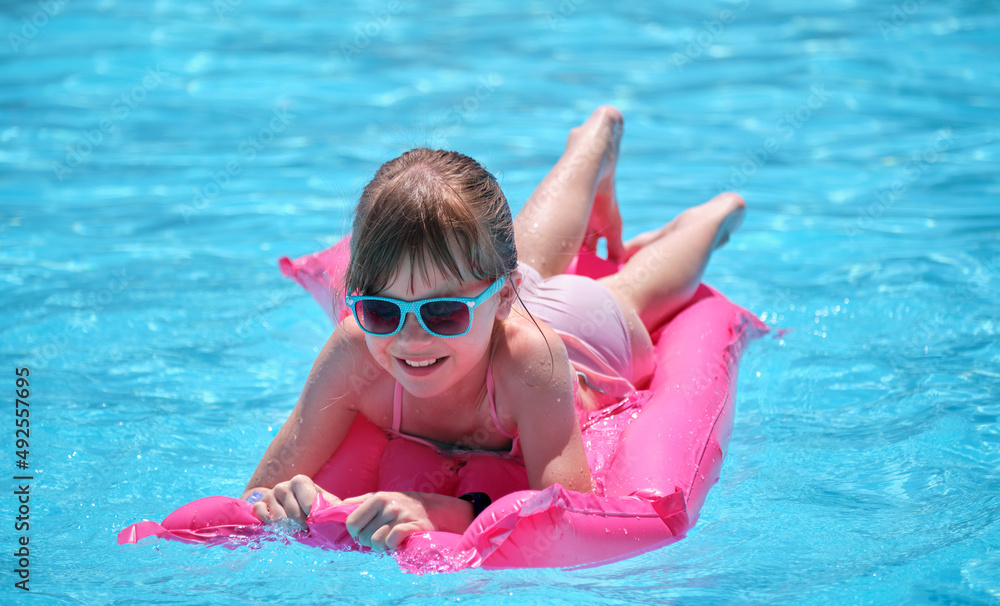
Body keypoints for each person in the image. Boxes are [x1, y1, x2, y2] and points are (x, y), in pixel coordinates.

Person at [242, 106, 746, 551]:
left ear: (504, 298)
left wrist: (446, 513)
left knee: (635, 288)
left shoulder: (534, 363)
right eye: (381, 311)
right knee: (521, 248)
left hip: (577, 331)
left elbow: (567, 515)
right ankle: (595, 142)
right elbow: (258, 492)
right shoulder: (355, 352)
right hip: (489, 294)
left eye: (442, 314)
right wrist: (286, 500)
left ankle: (711, 218)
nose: (411, 339)